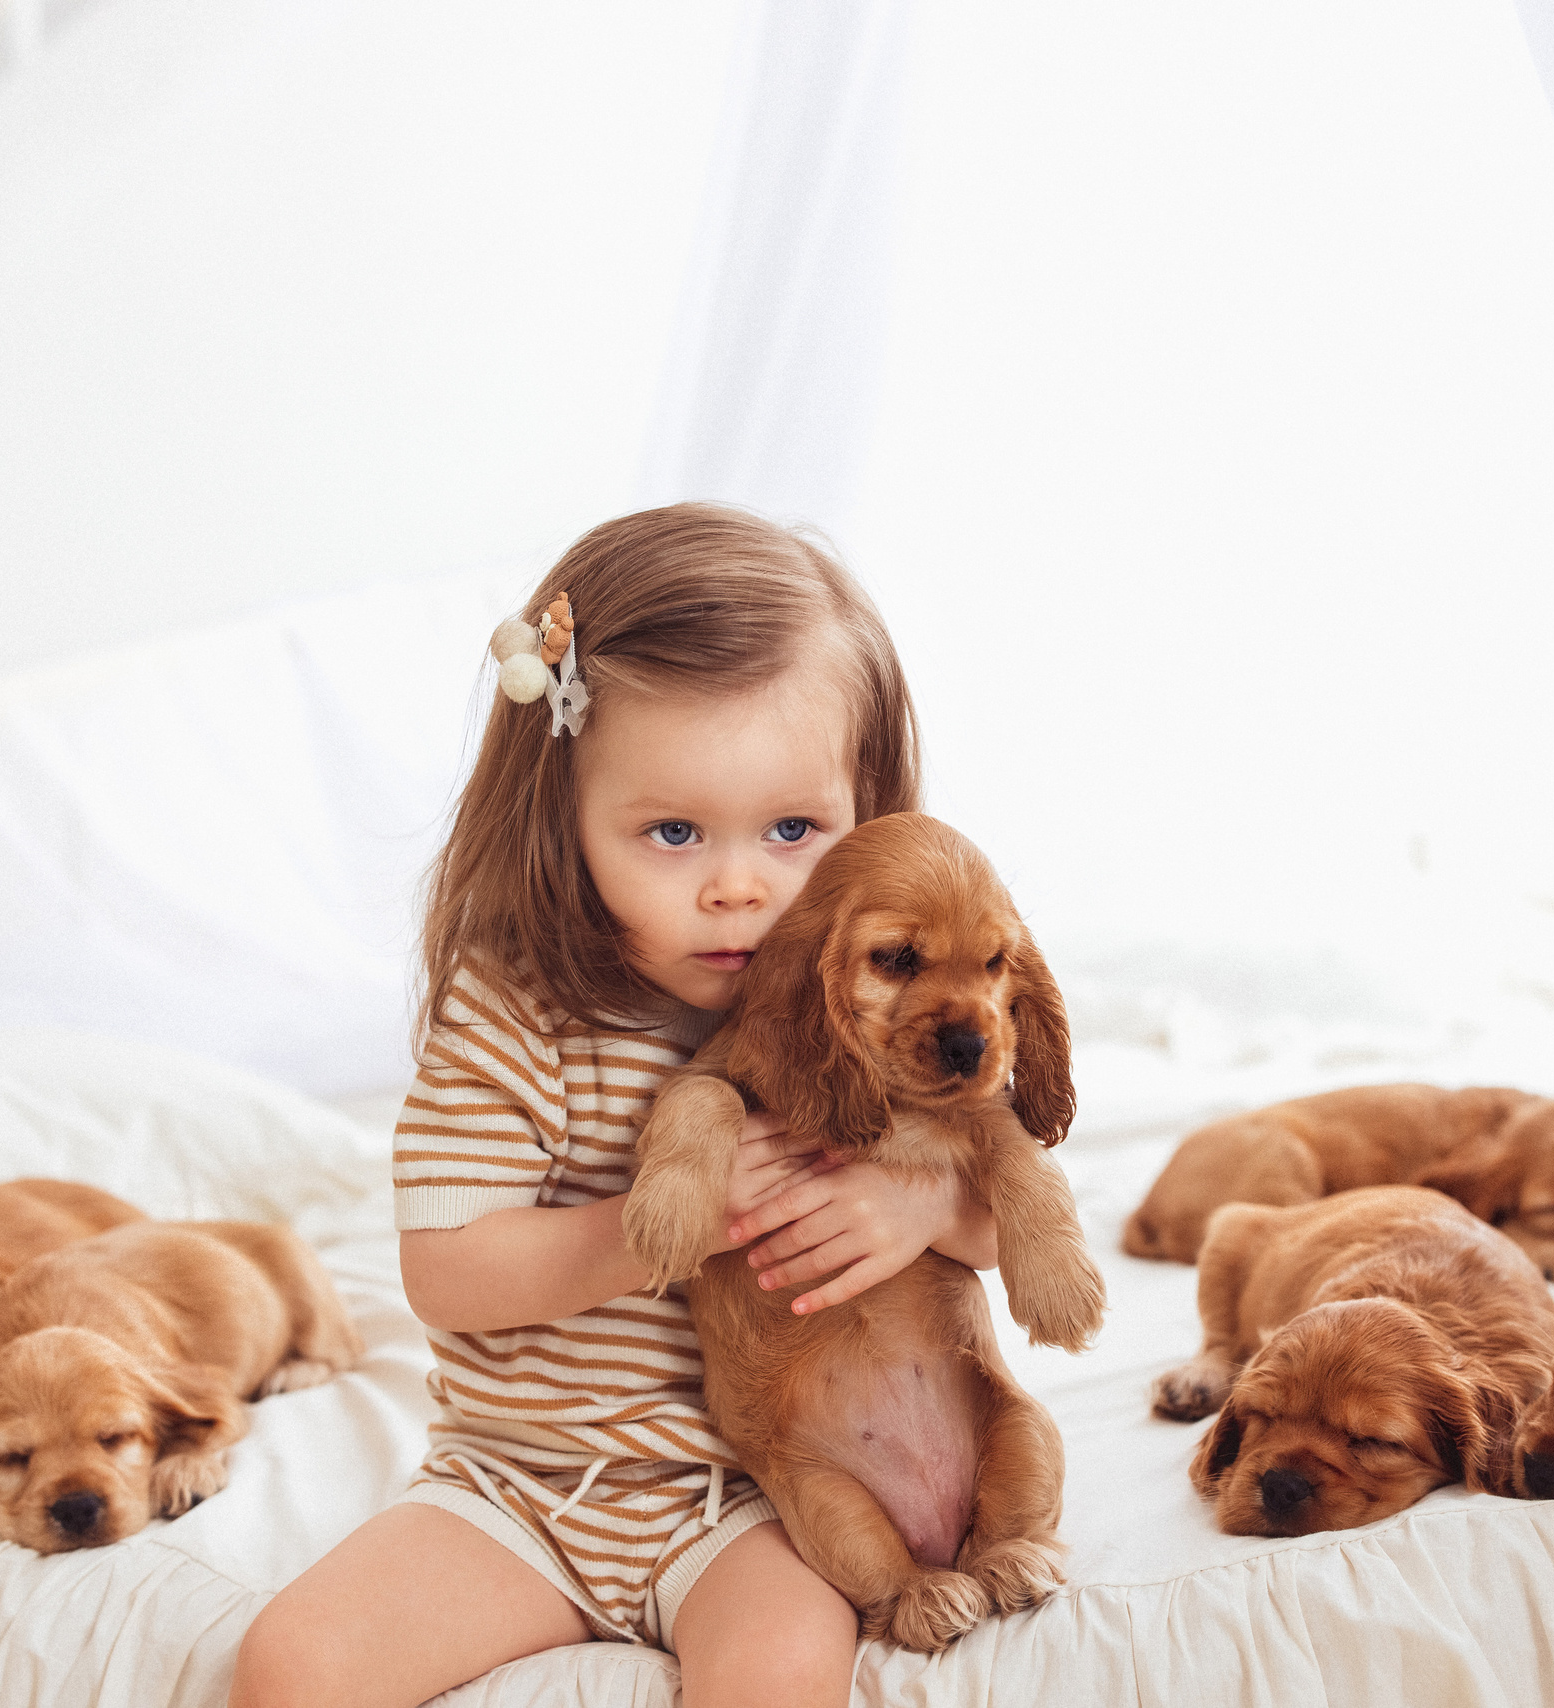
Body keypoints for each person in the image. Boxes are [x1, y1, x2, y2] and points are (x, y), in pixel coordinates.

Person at [231, 504, 998, 1708]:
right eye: (673, 832)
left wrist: (918, 1205)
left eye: (794, 829)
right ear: (566, 815)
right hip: (522, 1487)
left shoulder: (883, 1000)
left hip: (761, 1494)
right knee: (289, 1666)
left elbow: (1002, 1215)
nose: (739, 886)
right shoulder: (520, 1010)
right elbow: (448, 1267)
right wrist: (657, 1224)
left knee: (784, 1670)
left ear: (871, 812)